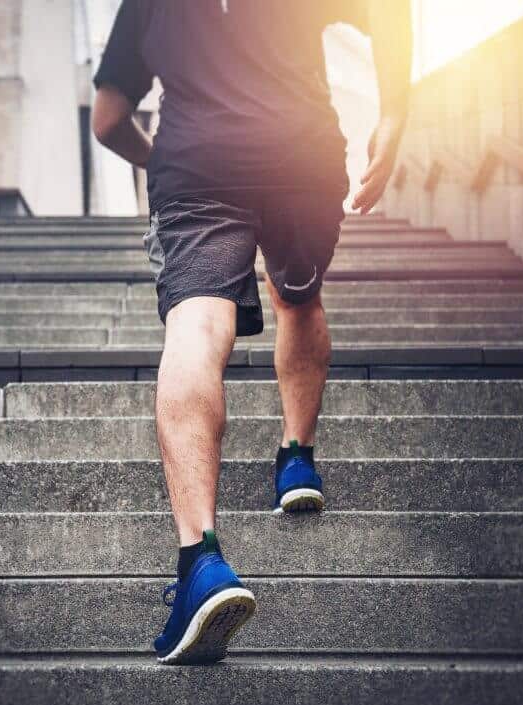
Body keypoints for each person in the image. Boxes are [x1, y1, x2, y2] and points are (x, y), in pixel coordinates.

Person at [92, 0, 412, 665]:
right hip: (302, 156)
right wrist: (394, 113)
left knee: (197, 325)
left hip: (198, 164)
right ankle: (297, 456)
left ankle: (202, 560)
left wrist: (166, 158)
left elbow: (108, 117)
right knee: (297, 297)